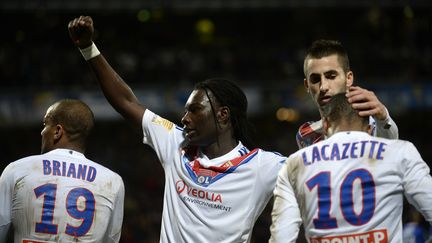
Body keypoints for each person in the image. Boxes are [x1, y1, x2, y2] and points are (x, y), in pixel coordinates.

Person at [68, 15, 286, 243]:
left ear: (223, 115)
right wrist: (88, 48)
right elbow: (127, 102)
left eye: (194, 110)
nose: (185, 118)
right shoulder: (175, 142)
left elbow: (313, 172)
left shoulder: (262, 166)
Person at [269, 93, 432, 242]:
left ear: (325, 126)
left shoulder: (295, 163)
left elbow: (281, 238)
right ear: (370, 129)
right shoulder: (401, 151)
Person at [0, 99, 125, 243]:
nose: (42, 132)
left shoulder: (18, 169)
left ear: (57, 131)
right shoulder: (113, 181)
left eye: (45, 124)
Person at [296, 39, 399, 149]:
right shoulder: (307, 135)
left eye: (331, 76)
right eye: (315, 79)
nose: (323, 87)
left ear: (348, 78)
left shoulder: (371, 128)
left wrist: (383, 118)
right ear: (307, 85)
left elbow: (390, 147)